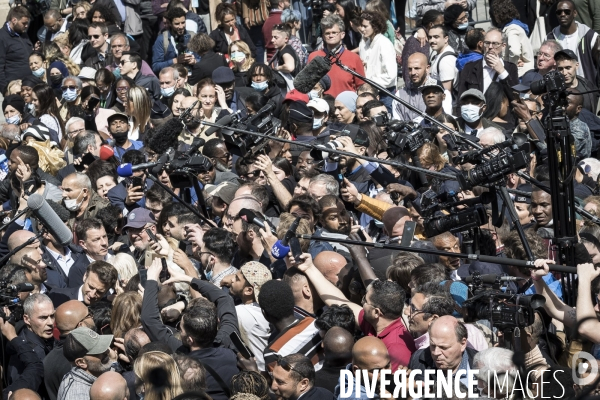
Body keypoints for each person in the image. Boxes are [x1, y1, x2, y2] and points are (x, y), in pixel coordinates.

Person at [293, 254, 415, 371]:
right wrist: (309, 268)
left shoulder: (397, 349)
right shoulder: (375, 323)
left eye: (365, 301)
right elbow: (340, 302)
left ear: (377, 312)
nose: (362, 304)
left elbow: (389, 389)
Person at [225, 261, 272, 370]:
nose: (232, 280)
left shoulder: (241, 312)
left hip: (256, 371)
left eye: (237, 279)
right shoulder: (263, 309)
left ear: (249, 290)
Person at [44, 300, 96, 400]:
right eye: (89, 315)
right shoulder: (85, 358)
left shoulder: (48, 360)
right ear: (81, 325)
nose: (92, 318)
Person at [6, 294, 55, 397]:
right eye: (43, 318)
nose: (50, 322)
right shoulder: (23, 351)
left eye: (52, 316)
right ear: (27, 319)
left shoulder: (48, 340)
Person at [408, 315, 478, 384]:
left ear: (462, 344)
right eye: (433, 346)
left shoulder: (482, 366)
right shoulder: (418, 360)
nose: (436, 352)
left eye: (443, 347)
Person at [307, 15, 365, 97]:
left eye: (334, 32)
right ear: (323, 36)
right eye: (327, 33)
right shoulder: (314, 57)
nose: (331, 36)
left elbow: (361, 87)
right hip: (321, 106)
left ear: (342, 34)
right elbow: (307, 84)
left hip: (346, 107)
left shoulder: (354, 58)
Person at [457, 28, 518, 99]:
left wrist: (502, 71)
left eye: (495, 43)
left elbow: (514, 98)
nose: (490, 47)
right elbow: (461, 99)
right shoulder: (469, 67)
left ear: (503, 46)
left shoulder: (511, 68)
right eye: (487, 43)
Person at [57, 327, 117, 399]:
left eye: (103, 346)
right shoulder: (78, 396)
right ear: (81, 362)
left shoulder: (95, 371)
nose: (107, 351)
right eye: (99, 351)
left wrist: (114, 363)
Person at [547, 0, 598, 83]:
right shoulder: (550, 38)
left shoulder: (590, 37)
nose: (562, 15)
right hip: (560, 90)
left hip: (586, 90)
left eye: (567, 12)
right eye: (559, 12)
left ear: (575, 13)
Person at [392, 53, 451, 121]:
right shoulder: (399, 95)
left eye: (417, 68)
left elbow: (446, 121)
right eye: (410, 69)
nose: (413, 72)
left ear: (427, 68)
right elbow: (397, 123)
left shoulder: (441, 92)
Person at [357, 11, 396, 112]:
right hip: (370, 92)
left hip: (385, 93)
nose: (362, 29)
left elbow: (390, 75)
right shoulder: (365, 43)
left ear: (375, 26)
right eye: (361, 26)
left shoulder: (384, 44)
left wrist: (369, 82)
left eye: (365, 26)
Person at [491, 0, 534, 77]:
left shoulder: (512, 29)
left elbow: (515, 51)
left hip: (521, 73)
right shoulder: (513, 26)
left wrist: (511, 65)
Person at [49, 261, 118, 307]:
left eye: (99, 292)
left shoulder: (106, 308)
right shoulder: (57, 296)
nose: (92, 295)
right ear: (85, 276)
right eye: (91, 287)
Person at [152, 7, 199, 75]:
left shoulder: (193, 36)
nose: (181, 26)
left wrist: (195, 61)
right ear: (170, 23)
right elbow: (155, 66)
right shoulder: (161, 39)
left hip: (191, 77)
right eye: (177, 24)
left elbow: (203, 58)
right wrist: (175, 61)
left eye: (183, 22)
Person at [554, 49, 599, 114]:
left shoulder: (588, 86)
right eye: (560, 69)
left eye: (568, 68)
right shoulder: (555, 90)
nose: (564, 73)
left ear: (577, 66)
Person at [271, 354, 335, 399]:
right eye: (272, 378)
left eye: (280, 382)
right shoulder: (325, 393)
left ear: (303, 384)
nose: (273, 387)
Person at [0, 6, 33, 94]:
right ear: (14, 20)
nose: (26, 26)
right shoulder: (2, 37)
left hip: (30, 85)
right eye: (24, 23)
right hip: (15, 89)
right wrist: (5, 90)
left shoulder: (23, 33)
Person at [428, 25, 457, 95]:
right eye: (430, 37)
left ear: (446, 39)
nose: (432, 40)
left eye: (436, 37)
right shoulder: (440, 54)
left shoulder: (446, 60)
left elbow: (446, 92)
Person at [566, 89, 592, 160]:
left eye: (567, 102)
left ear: (578, 109)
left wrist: (531, 122)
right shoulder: (564, 123)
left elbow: (559, 151)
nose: (562, 106)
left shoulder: (579, 130)